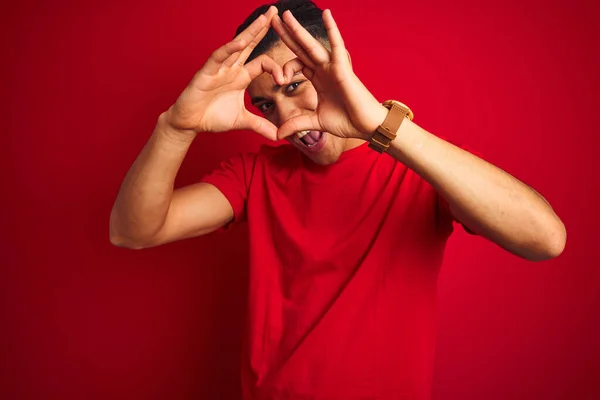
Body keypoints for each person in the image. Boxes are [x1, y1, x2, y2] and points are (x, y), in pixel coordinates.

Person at [109, 1, 566, 398]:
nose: (286, 118)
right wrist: (176, 128)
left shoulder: (418, 165)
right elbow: (133, 231)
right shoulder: (256, 175)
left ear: (337, 72)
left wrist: (380, 125)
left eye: (295, 87)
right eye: (265, 103)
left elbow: (545, 239)